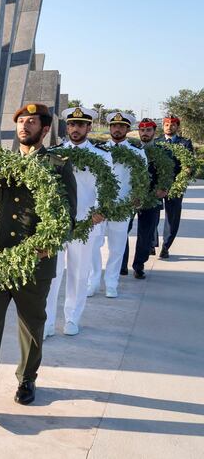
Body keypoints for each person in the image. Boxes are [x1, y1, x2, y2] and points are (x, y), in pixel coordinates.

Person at [0, 103, 76, 414]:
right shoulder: (0, 165)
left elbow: (67, 218)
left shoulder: (59, 166)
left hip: (35, 263)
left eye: (32, 122)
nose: (24, 126)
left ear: (44, 129)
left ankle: (27, 379)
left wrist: (48, 243)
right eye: (21, 121)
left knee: (31, 326)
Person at [45, 107, 112, 336]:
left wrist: (101, 211)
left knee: (78, 273)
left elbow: (107, 188)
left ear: (89, 127)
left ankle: (72, 318)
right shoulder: (53, 153)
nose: (75, 129)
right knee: (51, 274)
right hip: (57, 222)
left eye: (80, 125)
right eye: (72, 125)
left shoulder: (102, 156)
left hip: (86, 221)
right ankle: (47, 321)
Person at [87, 112, 147, 298]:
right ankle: (93, 281)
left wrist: (137, 197)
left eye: (122, 126)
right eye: (114, 126)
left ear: (128, 129)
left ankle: (111, 282)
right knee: (93, 244)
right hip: (98, 205)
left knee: (117, 247)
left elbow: (142, 180)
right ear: (110, 128)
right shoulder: (98, 150)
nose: (117, 129)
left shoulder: (137, 153)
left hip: (122, 205)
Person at [131, 118, 168, 279]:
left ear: (154, 132)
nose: (144, 133)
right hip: (131, 198)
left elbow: (172, 169)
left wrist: (164, 187)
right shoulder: (131, 149)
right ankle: (121, 266)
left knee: (145, 234)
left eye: (148, 130)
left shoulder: (163, 151)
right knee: (122, 230)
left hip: (152, 198)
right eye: (142, 130)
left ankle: (139, 265)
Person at [156, 115, 195, 259]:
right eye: (166, 124)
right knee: (150, 215)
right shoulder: (157, 142)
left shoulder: (185, 143)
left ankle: (166, 246)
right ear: (163, 126)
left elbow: (189, 163)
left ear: (177, 127)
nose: (169, 127)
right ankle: (151, 243)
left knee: (172, 218)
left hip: (175, 186)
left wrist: (188, 170)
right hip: (158, 185)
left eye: (173, 124)